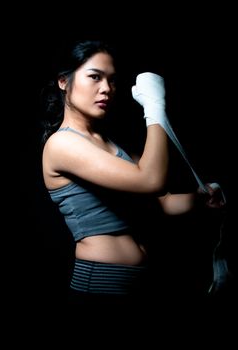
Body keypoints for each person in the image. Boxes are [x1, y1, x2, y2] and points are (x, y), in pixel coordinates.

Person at [40, 39, 225, 314]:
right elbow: (150, 180)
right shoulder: (61, 144)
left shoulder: (109, 143)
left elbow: (160, 201)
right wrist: (154, 107)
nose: (106, 89)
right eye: (94, 77)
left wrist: (198, 200)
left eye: (112, 80)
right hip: (100, 286)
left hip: (136, 284)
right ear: (63, 82)